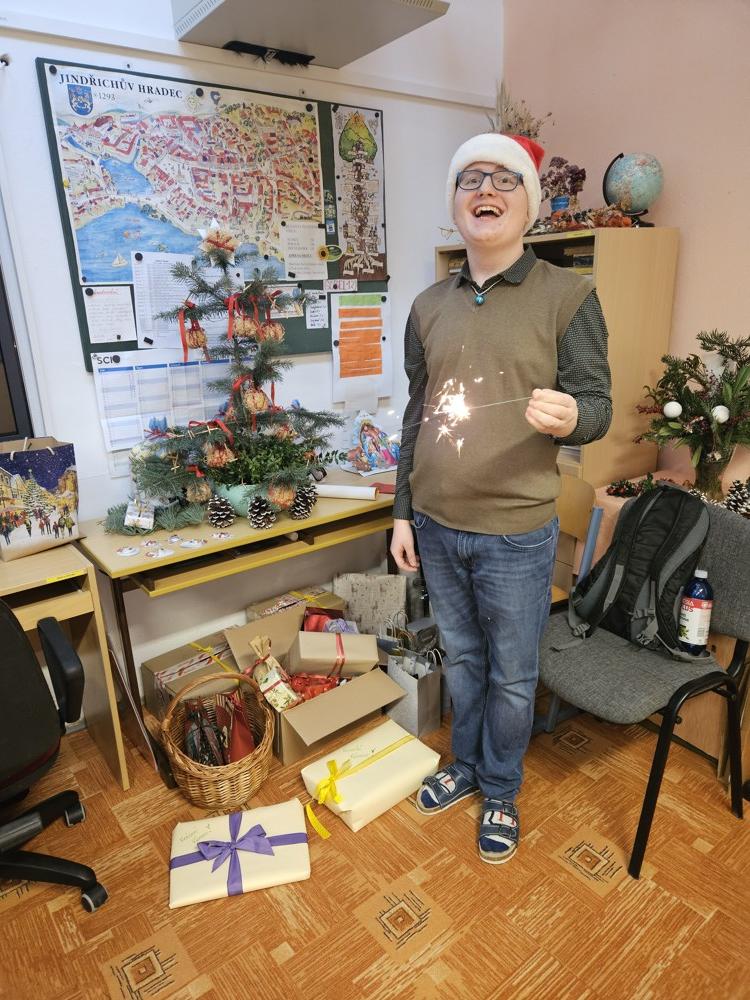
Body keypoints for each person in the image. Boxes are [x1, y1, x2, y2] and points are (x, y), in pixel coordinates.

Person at [390, 132, 612, 865]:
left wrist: (574, 417)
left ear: (530, 204)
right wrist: (401, 512)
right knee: (462, 661)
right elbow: (417, 414)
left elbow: (598, 405)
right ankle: (464, 764)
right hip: (435, 524)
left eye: (505, 179)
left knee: (513, 676)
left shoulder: (568, 296)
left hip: (517, 532)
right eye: (471, 179)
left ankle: (501, 789)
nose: (485, 190)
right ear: (455, 203)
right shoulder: (427, 305)